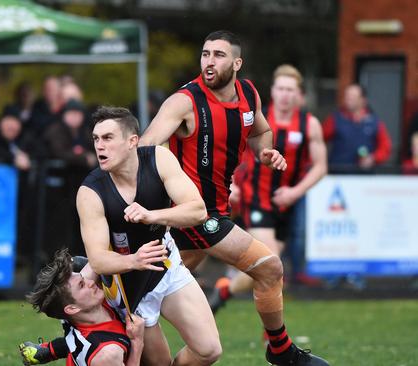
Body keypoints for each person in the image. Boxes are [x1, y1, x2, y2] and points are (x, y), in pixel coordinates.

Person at [139, 30, 328, 365]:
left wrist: (267, 152)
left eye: (219, 55)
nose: (209, 62)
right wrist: (174, 186)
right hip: (198, 215)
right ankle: (283, 353)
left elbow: (261, 131)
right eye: (205, 54)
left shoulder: (247, 93)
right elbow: (146, 148)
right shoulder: (185, 101)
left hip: (206, 217)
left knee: (148, 297)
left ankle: (87, 325)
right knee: (270, 268)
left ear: (237, 62)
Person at [76, 106, 221, 365]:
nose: (100, 146)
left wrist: (152, 215)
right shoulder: (90, 191)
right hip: (129, 287)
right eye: (96, 139)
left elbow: (198, 211)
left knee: (209, 350)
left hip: (166, 266)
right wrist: (135, 260)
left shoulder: (159, 158)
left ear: (132, 141)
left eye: (108, 138)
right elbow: (97, 260)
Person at [208, 64, 327, 310]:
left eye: (290, 90)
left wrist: (295, 192)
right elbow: (228, 152)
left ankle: (226, 289)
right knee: (273, 263)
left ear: (298, 94)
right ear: (272, 91)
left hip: (286, 203)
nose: (285, 94)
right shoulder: (257, 119)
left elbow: (320, 167)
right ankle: (272, 335)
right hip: (256, 197)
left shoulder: (309, 124)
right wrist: (231, 184)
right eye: (281, 88)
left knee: (270, 270)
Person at [25, 248, 145, 366]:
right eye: (82, 285)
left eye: (83, 279)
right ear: (72, 308)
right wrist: (137, 342)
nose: (91, 282)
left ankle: (47, 351)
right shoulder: (107, 353)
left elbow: (97, 261)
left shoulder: (74, 308)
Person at [322, 84, 391, 172]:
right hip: (338, 174)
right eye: (347, 96)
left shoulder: (374, 122)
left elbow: (385, 148)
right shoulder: (335, 119)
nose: (348, 99)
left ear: (363, 100)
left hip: (363, 177)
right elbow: (318, 140)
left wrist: (373, 158)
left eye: (353, 97)